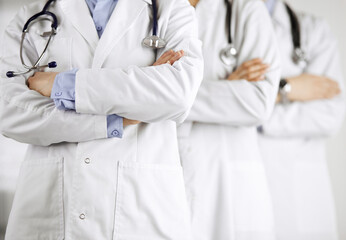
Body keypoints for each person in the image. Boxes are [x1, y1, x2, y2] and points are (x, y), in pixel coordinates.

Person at [0, 0, 204, 239]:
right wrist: (113, 120)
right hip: (50, 203)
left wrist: (61, 84)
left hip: (141, 207)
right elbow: (9, 112)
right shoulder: (32, 18)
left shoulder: (172, 9)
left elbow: (177, 94)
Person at [179, 0, 281, 239]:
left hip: (231, 186)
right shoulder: (145, 11)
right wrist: (227, 88)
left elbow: (258, 103)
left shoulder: (244, 8)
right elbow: (133, 95)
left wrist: (166, 96)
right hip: (163, 176)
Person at [259, 1, 345, 239]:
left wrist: (253, 112)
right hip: (236, 181)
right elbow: (205, 100)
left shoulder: (313, 31)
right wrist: (289, 89)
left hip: (300, 195)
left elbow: (328, 114)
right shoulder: (211, 25)